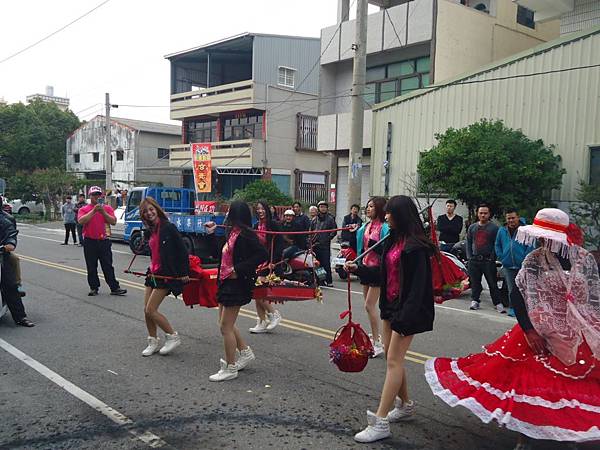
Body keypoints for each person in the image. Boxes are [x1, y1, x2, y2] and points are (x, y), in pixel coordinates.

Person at [425, 208, 600, 448]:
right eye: (539, 236)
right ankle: (524, 436)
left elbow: (592, 295)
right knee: (528, 385)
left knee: (570, 387)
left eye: (545, 236)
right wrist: (529, 330)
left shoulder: (583, 259)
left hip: (576, 333)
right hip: (539, 331)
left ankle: (570, 431)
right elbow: (517, 295)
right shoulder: (535, 260)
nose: (541, 240)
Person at [346, 195, 435, 443]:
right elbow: (383, 274)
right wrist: (359, 268)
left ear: (400, 215)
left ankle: (381, 420)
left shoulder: (416, 247)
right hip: (390, 306)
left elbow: (419, 289)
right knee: (391, 358)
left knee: (394, 361)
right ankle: (405, 404)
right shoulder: (394, 241)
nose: (385, 217)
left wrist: (404, 319)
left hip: (407, 312)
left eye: (390, 213)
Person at [204, 201, 268, 381]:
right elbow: (221, 254)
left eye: (230, 212)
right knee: (225, 324)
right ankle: (245, 352)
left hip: (237, 284)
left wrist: (238, 270)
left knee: (225, 327)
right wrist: (211, 234)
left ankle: (230, 367)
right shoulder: (231, 232)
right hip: (226, 281)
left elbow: (261, 255)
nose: (227, 215)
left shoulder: (246, 235)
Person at [139, 197, 189, 356]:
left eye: (151, 209)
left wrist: (183, 273)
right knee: (146, 310)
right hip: (152, 272)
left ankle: (172, 336)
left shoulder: (168, 227)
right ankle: (153, 341)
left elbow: (182, 251)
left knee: (151, 309)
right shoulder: (152, 229)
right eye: (145, 211)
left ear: (157, 209)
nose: (149, 213)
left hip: (165, 273)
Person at [355, 197, 389, 358]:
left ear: (380, 209)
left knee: (370, 305)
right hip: (365, 268)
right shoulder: (365, 226)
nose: (368, 209)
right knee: (368, 306)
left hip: (378, 270)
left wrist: (379, 247)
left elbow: (388, 251)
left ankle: (377, 342)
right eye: (367, 206)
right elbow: (360, 247)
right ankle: (376, 336)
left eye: (371, 207)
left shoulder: (385, 228)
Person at [77, 186, 127, 297]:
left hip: (103, 240)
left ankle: (114, 287)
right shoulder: (84, 209)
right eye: (94, 195)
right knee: (91, 266)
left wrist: (102, 212)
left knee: (108, 265)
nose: (96, 197)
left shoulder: (107, 208)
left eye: (98, 195)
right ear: (90, 196)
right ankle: (94, 287)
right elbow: (81, 221)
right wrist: (94, 211)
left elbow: (113, 221)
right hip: (90, 241)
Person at [249, 201, 284, 334]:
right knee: (257, 292)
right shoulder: (255, 225)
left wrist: (274, 261)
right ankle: (261, 321)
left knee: (258, 290)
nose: (260, 211)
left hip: (269, 261)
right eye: (257, 209)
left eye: (262, 208)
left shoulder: (273, 224)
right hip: (258, 260)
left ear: (267, 210)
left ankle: (273, 314)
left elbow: (280, 244)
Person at [494, 209, 533, 317]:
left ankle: (525, 309)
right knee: (512, 289)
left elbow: (530, 246)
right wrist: (502, 257)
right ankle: (513, 308)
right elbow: (497, 245)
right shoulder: (502, 230)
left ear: (518, 217)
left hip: (523, 265)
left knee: (524, 288)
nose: (511, 220)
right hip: (508, 265)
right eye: (508, 218)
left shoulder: (526, 231)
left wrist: (525, 260)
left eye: (513, 218)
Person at [466, 204, 503, 312]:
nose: (483, 215)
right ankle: (475, 300)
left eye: (485, 213)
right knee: (475, 282)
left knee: (492, 282)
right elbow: (468, 242)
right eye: (481, 213)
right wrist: (470, 256)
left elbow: (496, 244)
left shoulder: (494, 228)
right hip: (474, 260)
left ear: (489, 214)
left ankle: (497, 303)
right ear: (477, 213)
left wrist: (492, 257)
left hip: (488, 260)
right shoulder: (472, 227)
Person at [0, 210, 34, 327]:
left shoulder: (5, 220)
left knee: (10, 284)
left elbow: (11, 235)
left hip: (1, 255)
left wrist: (8, 245)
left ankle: (20, 317)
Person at [310, 201, 337, 287]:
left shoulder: (330, 219)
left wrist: (328, 238)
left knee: (326, 263)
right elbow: (310, 231)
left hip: (325, 245)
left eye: (324, 207)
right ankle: (321, 280)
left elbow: (334, 230)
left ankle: (329, 280)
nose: (323, 208)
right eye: (321, 207)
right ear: (318, 208)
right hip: (316, 245)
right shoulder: (314, 220)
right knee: (318, 264)